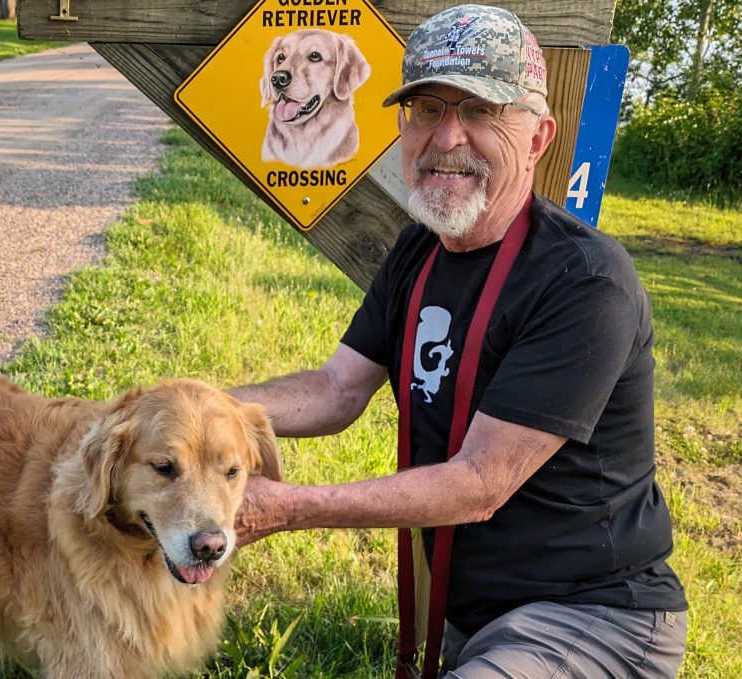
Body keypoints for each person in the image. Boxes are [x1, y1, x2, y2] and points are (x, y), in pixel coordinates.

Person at [229, 5, 688, 677]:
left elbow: (479, 483)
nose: (446, 138)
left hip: (594, 616)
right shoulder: (419, 249)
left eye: (480, 111)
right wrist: (192, 405)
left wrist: (290, 507)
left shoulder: (587, 282)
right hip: (473, 616)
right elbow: (336, 389)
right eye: (426, 110)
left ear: (538, 139)